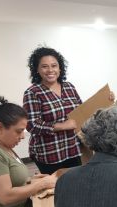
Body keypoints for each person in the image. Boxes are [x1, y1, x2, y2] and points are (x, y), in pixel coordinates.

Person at [23, 46, 83, 175]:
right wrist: (61, 126)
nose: (50, 70)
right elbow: (31, 125)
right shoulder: (33, 92)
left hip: (73, 148)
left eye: (54, 65)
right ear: (37, 70)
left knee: (75, 186)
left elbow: (82, 111)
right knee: (55, 189)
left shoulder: (69, 87)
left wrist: (106, 100)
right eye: (44, 66)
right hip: (50, 154)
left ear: (60, 68)